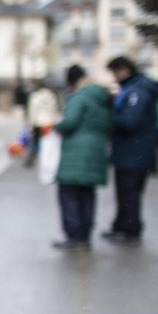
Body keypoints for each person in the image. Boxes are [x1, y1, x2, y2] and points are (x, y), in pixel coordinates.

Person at [51, 65, 112, 250]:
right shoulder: (101, 97)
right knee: (87, 194)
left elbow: (69, 122)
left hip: (75, 154)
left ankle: (74, 237)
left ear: (72, 81)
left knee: (69, 195)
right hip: (96, 151)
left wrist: (56, 127)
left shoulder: (79, 97)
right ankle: (85, 236)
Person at [104, 56, 158, 243]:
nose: (114, 77)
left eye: (115, 72)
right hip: (132, 152)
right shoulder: (134, 88)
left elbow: (130, 122)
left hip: (134, 153)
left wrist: (110, 114)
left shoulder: (138, 91)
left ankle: (130, 231)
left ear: (124, 69)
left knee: (129, 194)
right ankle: (121, 227)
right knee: (126, 193)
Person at [27, 78, 60, 168]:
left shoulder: (35, 96)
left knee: (35, 141)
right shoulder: (51, 95)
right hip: (49, 122)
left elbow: (33, 110)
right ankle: (45, 158)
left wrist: (31, 123)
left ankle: (31, 158)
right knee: (47, 142)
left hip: (38, 122)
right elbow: (54, 109)